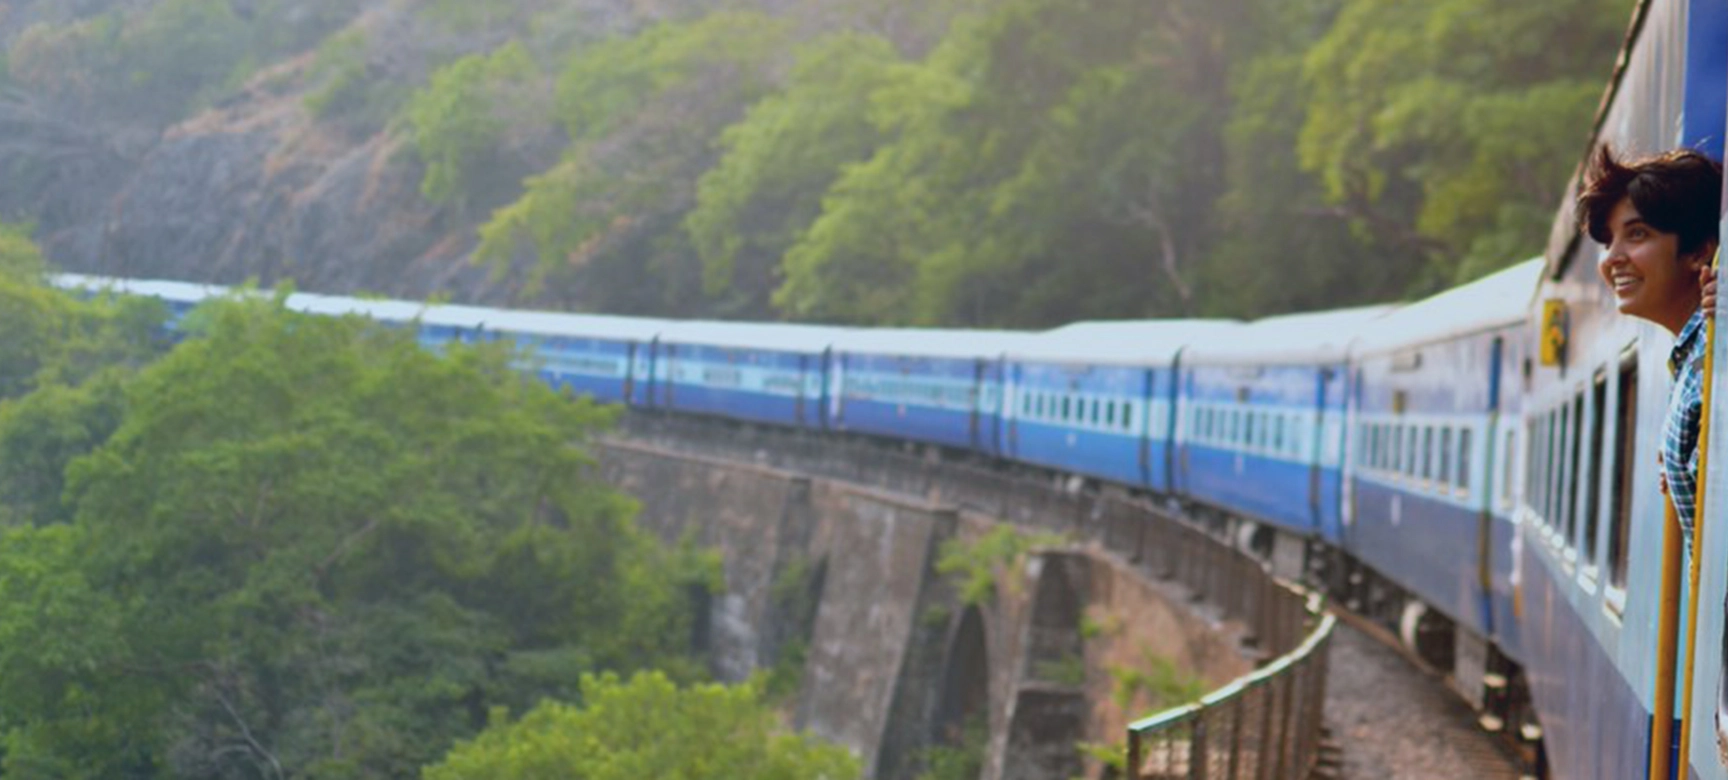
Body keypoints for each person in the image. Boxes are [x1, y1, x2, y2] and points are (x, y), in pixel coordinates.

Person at [1578, 143, 1724, 765]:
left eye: (1636, 235)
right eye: (1610, 240)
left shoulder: (1716, 356)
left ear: (1697, 251)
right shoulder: (1696, 357)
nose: (1613, 259)